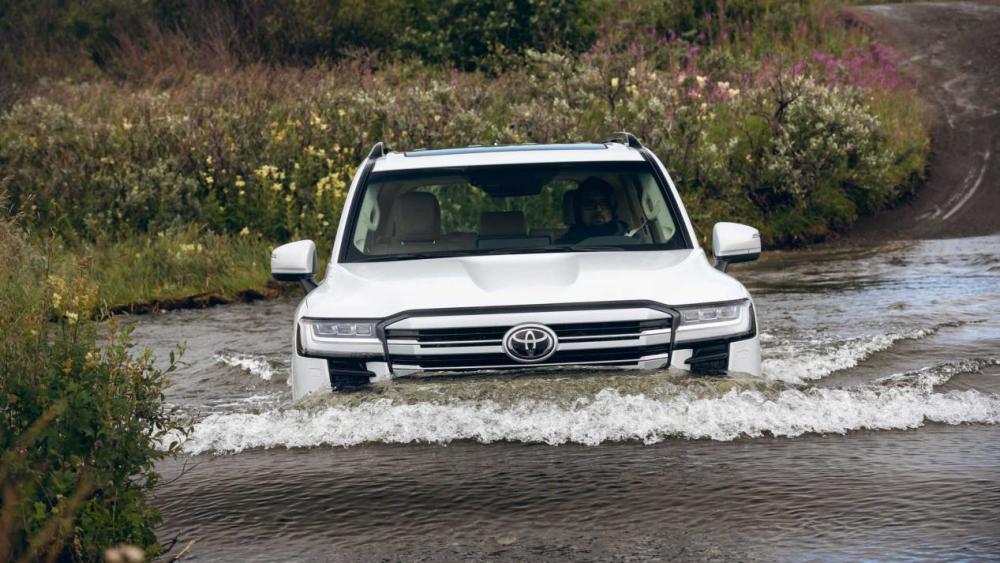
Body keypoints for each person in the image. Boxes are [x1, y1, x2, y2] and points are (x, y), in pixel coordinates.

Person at [557, 177, 629, 244]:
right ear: (578, 211)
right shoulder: (565, 246)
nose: (598, 209)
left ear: (612, 209)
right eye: (590, 205)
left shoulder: (628, 237)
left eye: (604, 204)